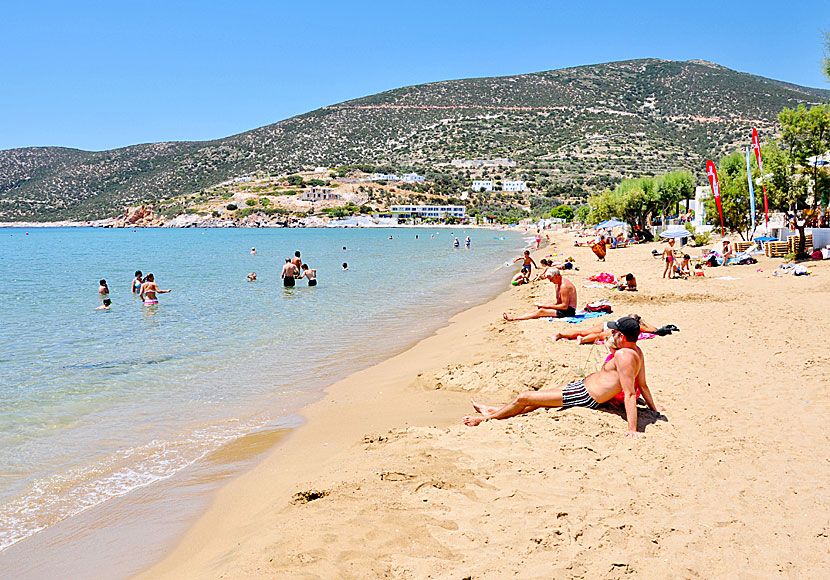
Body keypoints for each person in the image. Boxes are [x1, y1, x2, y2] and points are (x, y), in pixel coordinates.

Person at [464, 317, 664, 437]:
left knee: (524, 397)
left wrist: (633, 428)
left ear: (621, 336)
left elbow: (630, 393)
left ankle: (484, 419)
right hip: (581, 389)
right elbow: (643, 385)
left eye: (614, 332)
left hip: (584, 396)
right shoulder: (637, 351)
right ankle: (495, 410)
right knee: (541, 400)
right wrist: (655, 409)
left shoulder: (623, 356)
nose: (611, 334)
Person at [503, 269, 577, 320]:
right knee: (540, 308)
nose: (550, 281)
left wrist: (545, 306)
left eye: (551, 279)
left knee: (541, 311)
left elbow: (564, 306)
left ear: (556, 276)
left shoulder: (564, 286)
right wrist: (544, 305)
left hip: (569, 311)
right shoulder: (557, 284)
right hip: (564, 308)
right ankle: (519, 316)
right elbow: (558, 301)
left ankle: (515, 318)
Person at [553, 313, 658, 343]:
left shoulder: (626, 319)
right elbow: (654, 330)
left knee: (583, 331)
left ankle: (561, 334)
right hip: (614, 329)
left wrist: (642, 321)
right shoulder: (635, 326)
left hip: (608, 324)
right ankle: (583, 340)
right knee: (600, 336)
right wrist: (643, 322)